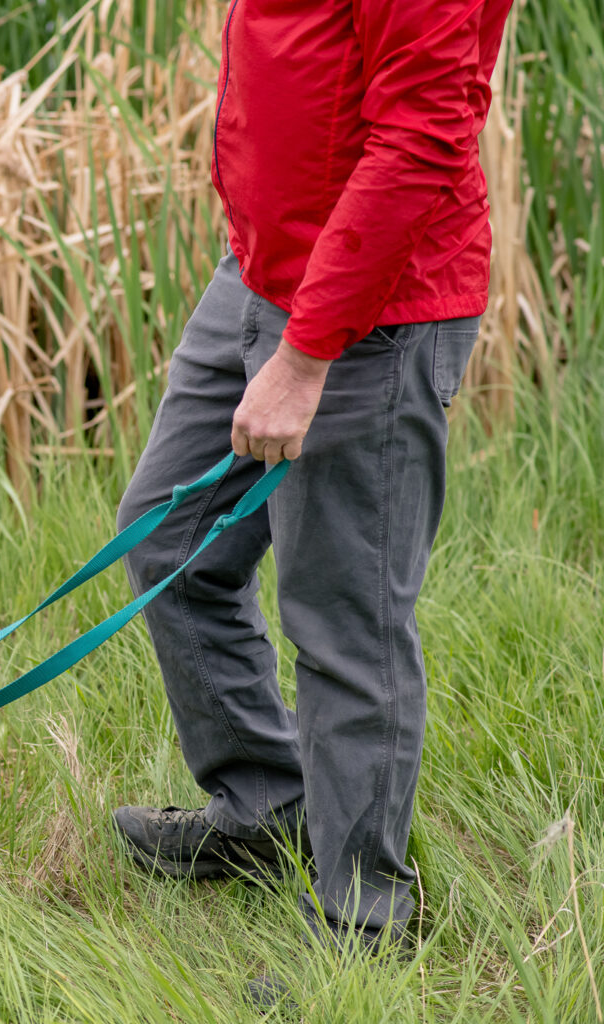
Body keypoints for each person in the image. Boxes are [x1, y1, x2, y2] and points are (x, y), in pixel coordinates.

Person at [109, 0, 515, 972]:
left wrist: (303, 356)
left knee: (347, 623)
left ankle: (365, 923)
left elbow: (421, 136)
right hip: (265, 274)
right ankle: (266, 808)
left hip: (370, 312)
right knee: (171, 538)